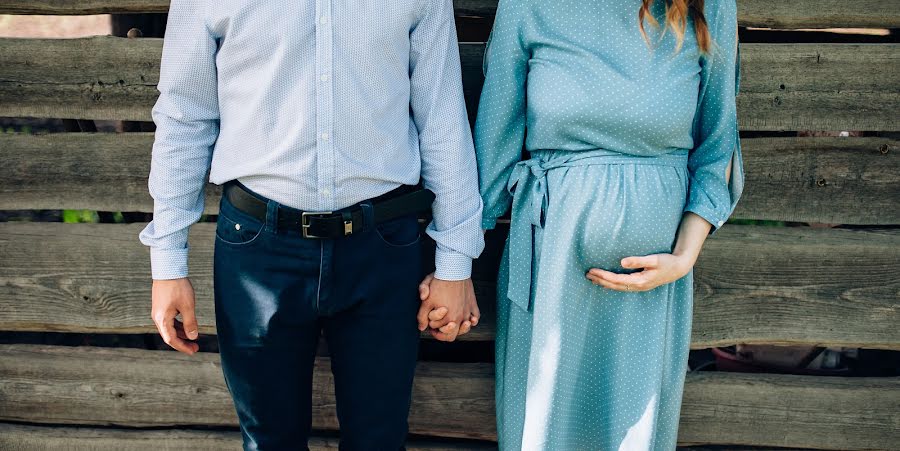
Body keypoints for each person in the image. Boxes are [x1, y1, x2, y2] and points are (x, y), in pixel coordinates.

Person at [138, 0, 484, 449]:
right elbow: (184, 115)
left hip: (382, 245)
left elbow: (442, 118)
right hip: (258, 248)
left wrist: (455, 262)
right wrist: (167, 262)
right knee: (269, 442)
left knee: (379, 441)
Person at [473, 0, 744, 448]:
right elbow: (494, 140)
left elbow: (718, 147)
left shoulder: (707, 6)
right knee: (544, 433)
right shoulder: (527, 6)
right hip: (550, 270)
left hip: (652, 291)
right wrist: (455, 264)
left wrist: (683, 257)